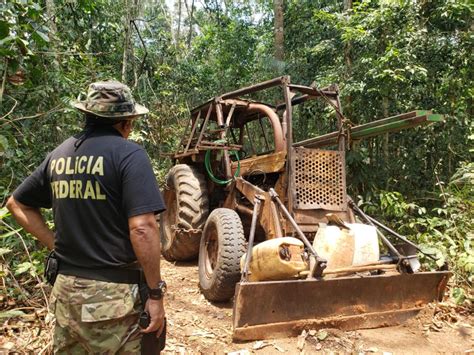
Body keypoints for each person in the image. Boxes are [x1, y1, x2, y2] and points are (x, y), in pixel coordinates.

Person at [6, 80, 166, 354]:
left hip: (66, 295)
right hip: (113, 301)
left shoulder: (59, 155)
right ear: (126, 122)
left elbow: (16, 204)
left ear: (87, 116)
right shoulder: (130, 155)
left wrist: (54, 243)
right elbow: (142, 228)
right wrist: (155, 293)